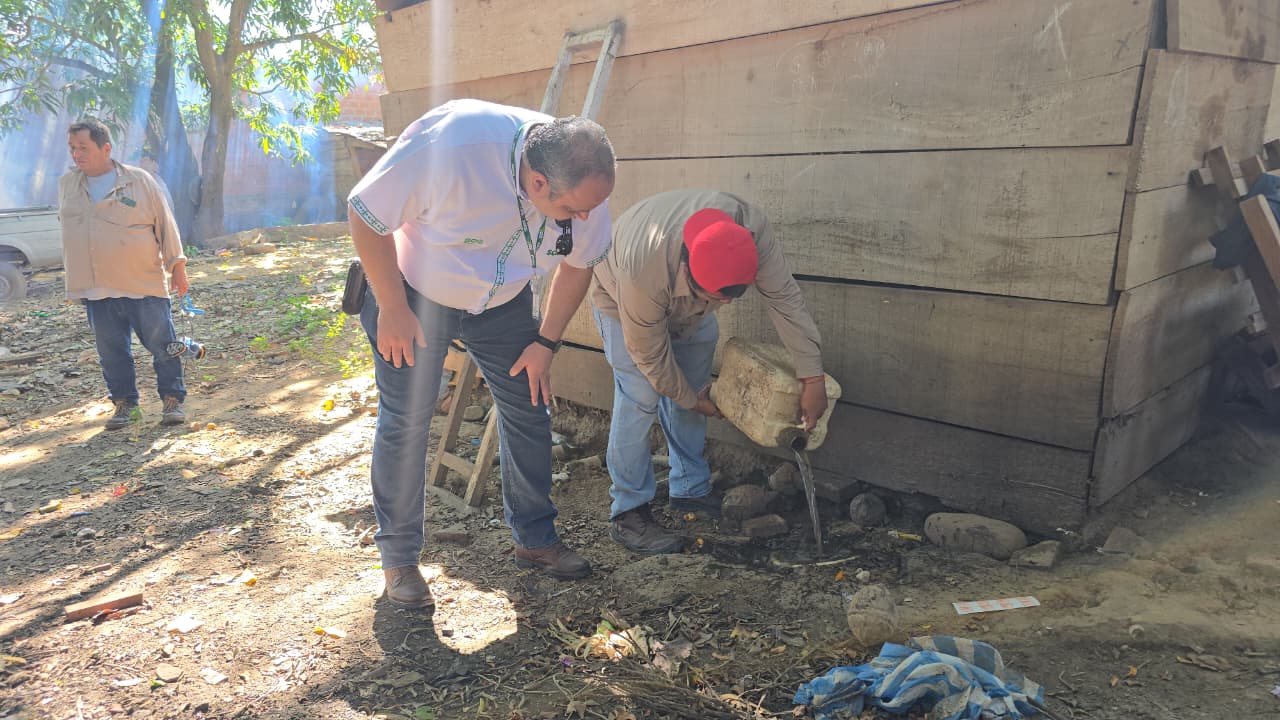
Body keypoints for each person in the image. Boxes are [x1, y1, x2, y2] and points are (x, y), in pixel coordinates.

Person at [347, 99, 615, 607]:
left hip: (501, 301)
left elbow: (580, 263)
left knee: (530, 405)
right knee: (407, 419)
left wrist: (546, 342)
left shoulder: (584, 181)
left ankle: (534, 538)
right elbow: (365, 214)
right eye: (573, 211)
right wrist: (393, 308)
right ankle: (399, 559)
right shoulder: (454, 146)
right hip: (413, 292)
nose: (585, 218)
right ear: (538, 183)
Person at [590, 189, 829, 554]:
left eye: (733, 296)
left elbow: (786, 302)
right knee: (640, 395)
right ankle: (628, 511)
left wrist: (812, 377)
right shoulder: (644, 267)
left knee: (698, 362)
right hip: (622, 301)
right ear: (689, 272)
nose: (726, 303)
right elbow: (650, 357)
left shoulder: (752, 233)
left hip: (682, 301)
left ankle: (689, 487)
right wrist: (689, 399)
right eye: (717, 297)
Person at [59, 120, 190, 429]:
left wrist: (177, 267)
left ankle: (172, 399)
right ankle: (125, 404)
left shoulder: (139, 180)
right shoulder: (68, 184)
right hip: (95, 287)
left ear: (106, 148)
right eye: (73, 148)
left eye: (83, 147)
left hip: (141, 281)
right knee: (111, 352)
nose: (77, 154)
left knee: (163, 345)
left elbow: (165, 223)